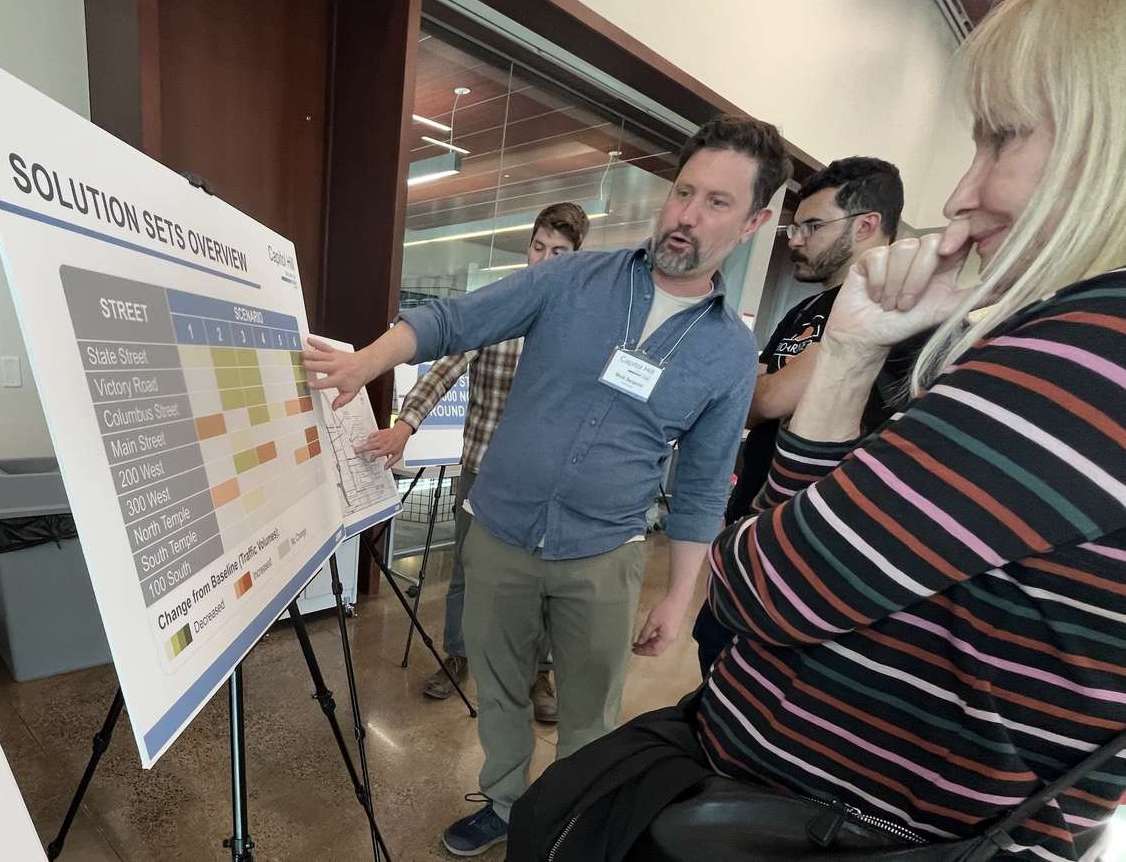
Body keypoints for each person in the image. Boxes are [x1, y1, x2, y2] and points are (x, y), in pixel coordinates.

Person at [511, 0, 1126, 859]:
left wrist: (718, 566)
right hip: (793, 797)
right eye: (682, 192)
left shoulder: (1086, 359)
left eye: (1004, 134)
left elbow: (762, 585)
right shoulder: (1058, 344)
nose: (964, 190)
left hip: (824, 827)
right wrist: (846, 355)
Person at [303, 114, 792, 857]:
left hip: (604, 557)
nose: (687, 215)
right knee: (498, 693)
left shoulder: (729, 354)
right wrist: (369, 360)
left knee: (589, 715)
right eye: (683, 191)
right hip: (499, 537)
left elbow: (701, 486)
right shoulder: (571, 280)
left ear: (755, 220)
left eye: (717, 203)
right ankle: (503, 803)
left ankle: (570, 821)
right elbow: (454, 320)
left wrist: (679, 592)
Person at [359, 202, 590, 718]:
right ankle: (458, 656)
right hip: (484, 472)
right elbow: (444, 369)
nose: (544, 260)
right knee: (468, 570)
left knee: (546, 578)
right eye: (538, 247)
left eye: (560, 252)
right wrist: (404, 425)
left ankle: (540, 674)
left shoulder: (585, 324)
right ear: (528, 246)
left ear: (577, 257)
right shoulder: (501, 306)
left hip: (549, 483)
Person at [691, 157, 912, 673]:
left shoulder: (890, 311)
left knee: (763, 668)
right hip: (754, 514)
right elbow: (751, 402)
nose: (795, 238)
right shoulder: (803, 311)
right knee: (716, 645)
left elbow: (763, 398)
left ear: (866, 225)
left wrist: (765, 390)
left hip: (815, 538)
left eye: (812, 226)